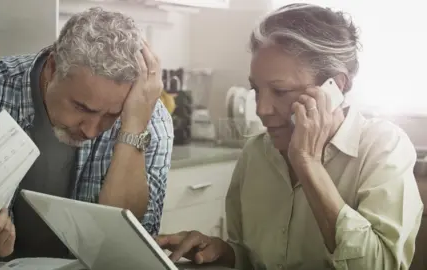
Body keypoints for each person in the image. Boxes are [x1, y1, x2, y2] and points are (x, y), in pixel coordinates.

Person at [157, 3, 423, 270]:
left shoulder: (384, 148)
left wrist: (308, 164)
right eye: (256, 90)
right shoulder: (256, 153)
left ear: (336, 87)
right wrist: (223, 252)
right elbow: (252, 257)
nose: (261, 109)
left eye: (280, 92)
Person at [0, 8, 173, 263]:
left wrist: (133, 128)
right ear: (53, 68)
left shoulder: (150, 118)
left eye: (112, 115)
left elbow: (130, 244)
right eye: (82, 107)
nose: (90, 130)